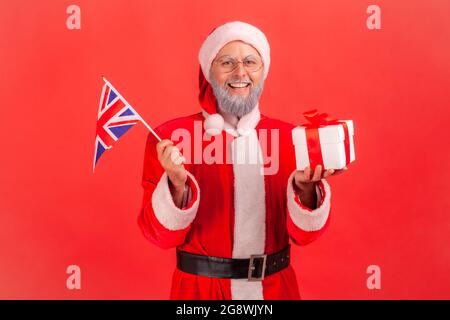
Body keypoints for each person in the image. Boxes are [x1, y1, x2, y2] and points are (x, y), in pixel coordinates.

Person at [138, 21, 346, 300]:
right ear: (209, 72)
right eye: (227, 62)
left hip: (275, 292)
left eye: (250, 62)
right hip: (201, 294)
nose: (240, 73)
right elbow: (159, 236)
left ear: (263, 72)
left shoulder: (291, 138)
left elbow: (306, 236)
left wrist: (306, 189)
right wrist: (176, 186)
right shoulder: (171, 138)